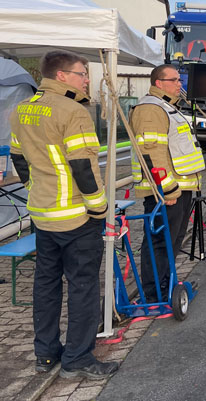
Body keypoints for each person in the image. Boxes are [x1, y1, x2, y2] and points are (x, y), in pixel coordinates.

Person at [9, 50, 119, 379]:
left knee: (46, 285)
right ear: (62, 76)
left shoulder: (20, 110)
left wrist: (35, 189)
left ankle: (45, 355)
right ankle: (78, 359)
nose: (87, 79)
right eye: (81, 73)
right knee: (83, 287)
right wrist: (100, 209)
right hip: (75, 217)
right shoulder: (73, 111)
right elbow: (83, 167)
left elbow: (19, 158)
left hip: (43, 215)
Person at [130, 64, 205, 302]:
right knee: (160, 244)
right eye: (174, 80)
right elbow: (153, 153)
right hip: (166, 191)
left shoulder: (167, 107)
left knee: (171, 243)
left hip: (180, 188)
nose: (179, 84)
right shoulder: (151, 109)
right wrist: (167, 188)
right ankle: (155, 294)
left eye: (179, 80)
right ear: (158, 83)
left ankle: (167, 283)